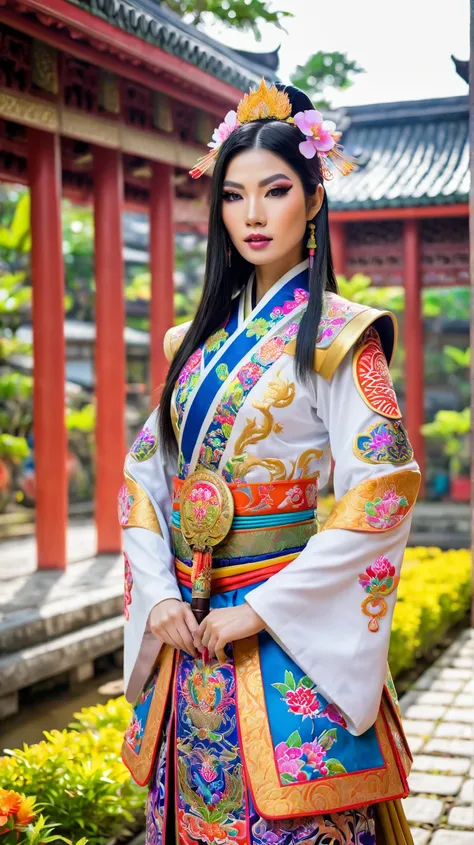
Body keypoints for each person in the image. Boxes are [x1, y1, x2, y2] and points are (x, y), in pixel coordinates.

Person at [119, 78, 421, 845]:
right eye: (234, 196)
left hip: (286, 633)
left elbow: (383, 489)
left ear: (314, 198)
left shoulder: (345, 340)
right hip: (189, 635)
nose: (252, 215)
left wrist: (261, 609)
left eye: (276, 191)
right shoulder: (192, 347)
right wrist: (156, 596)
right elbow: (146, 479)